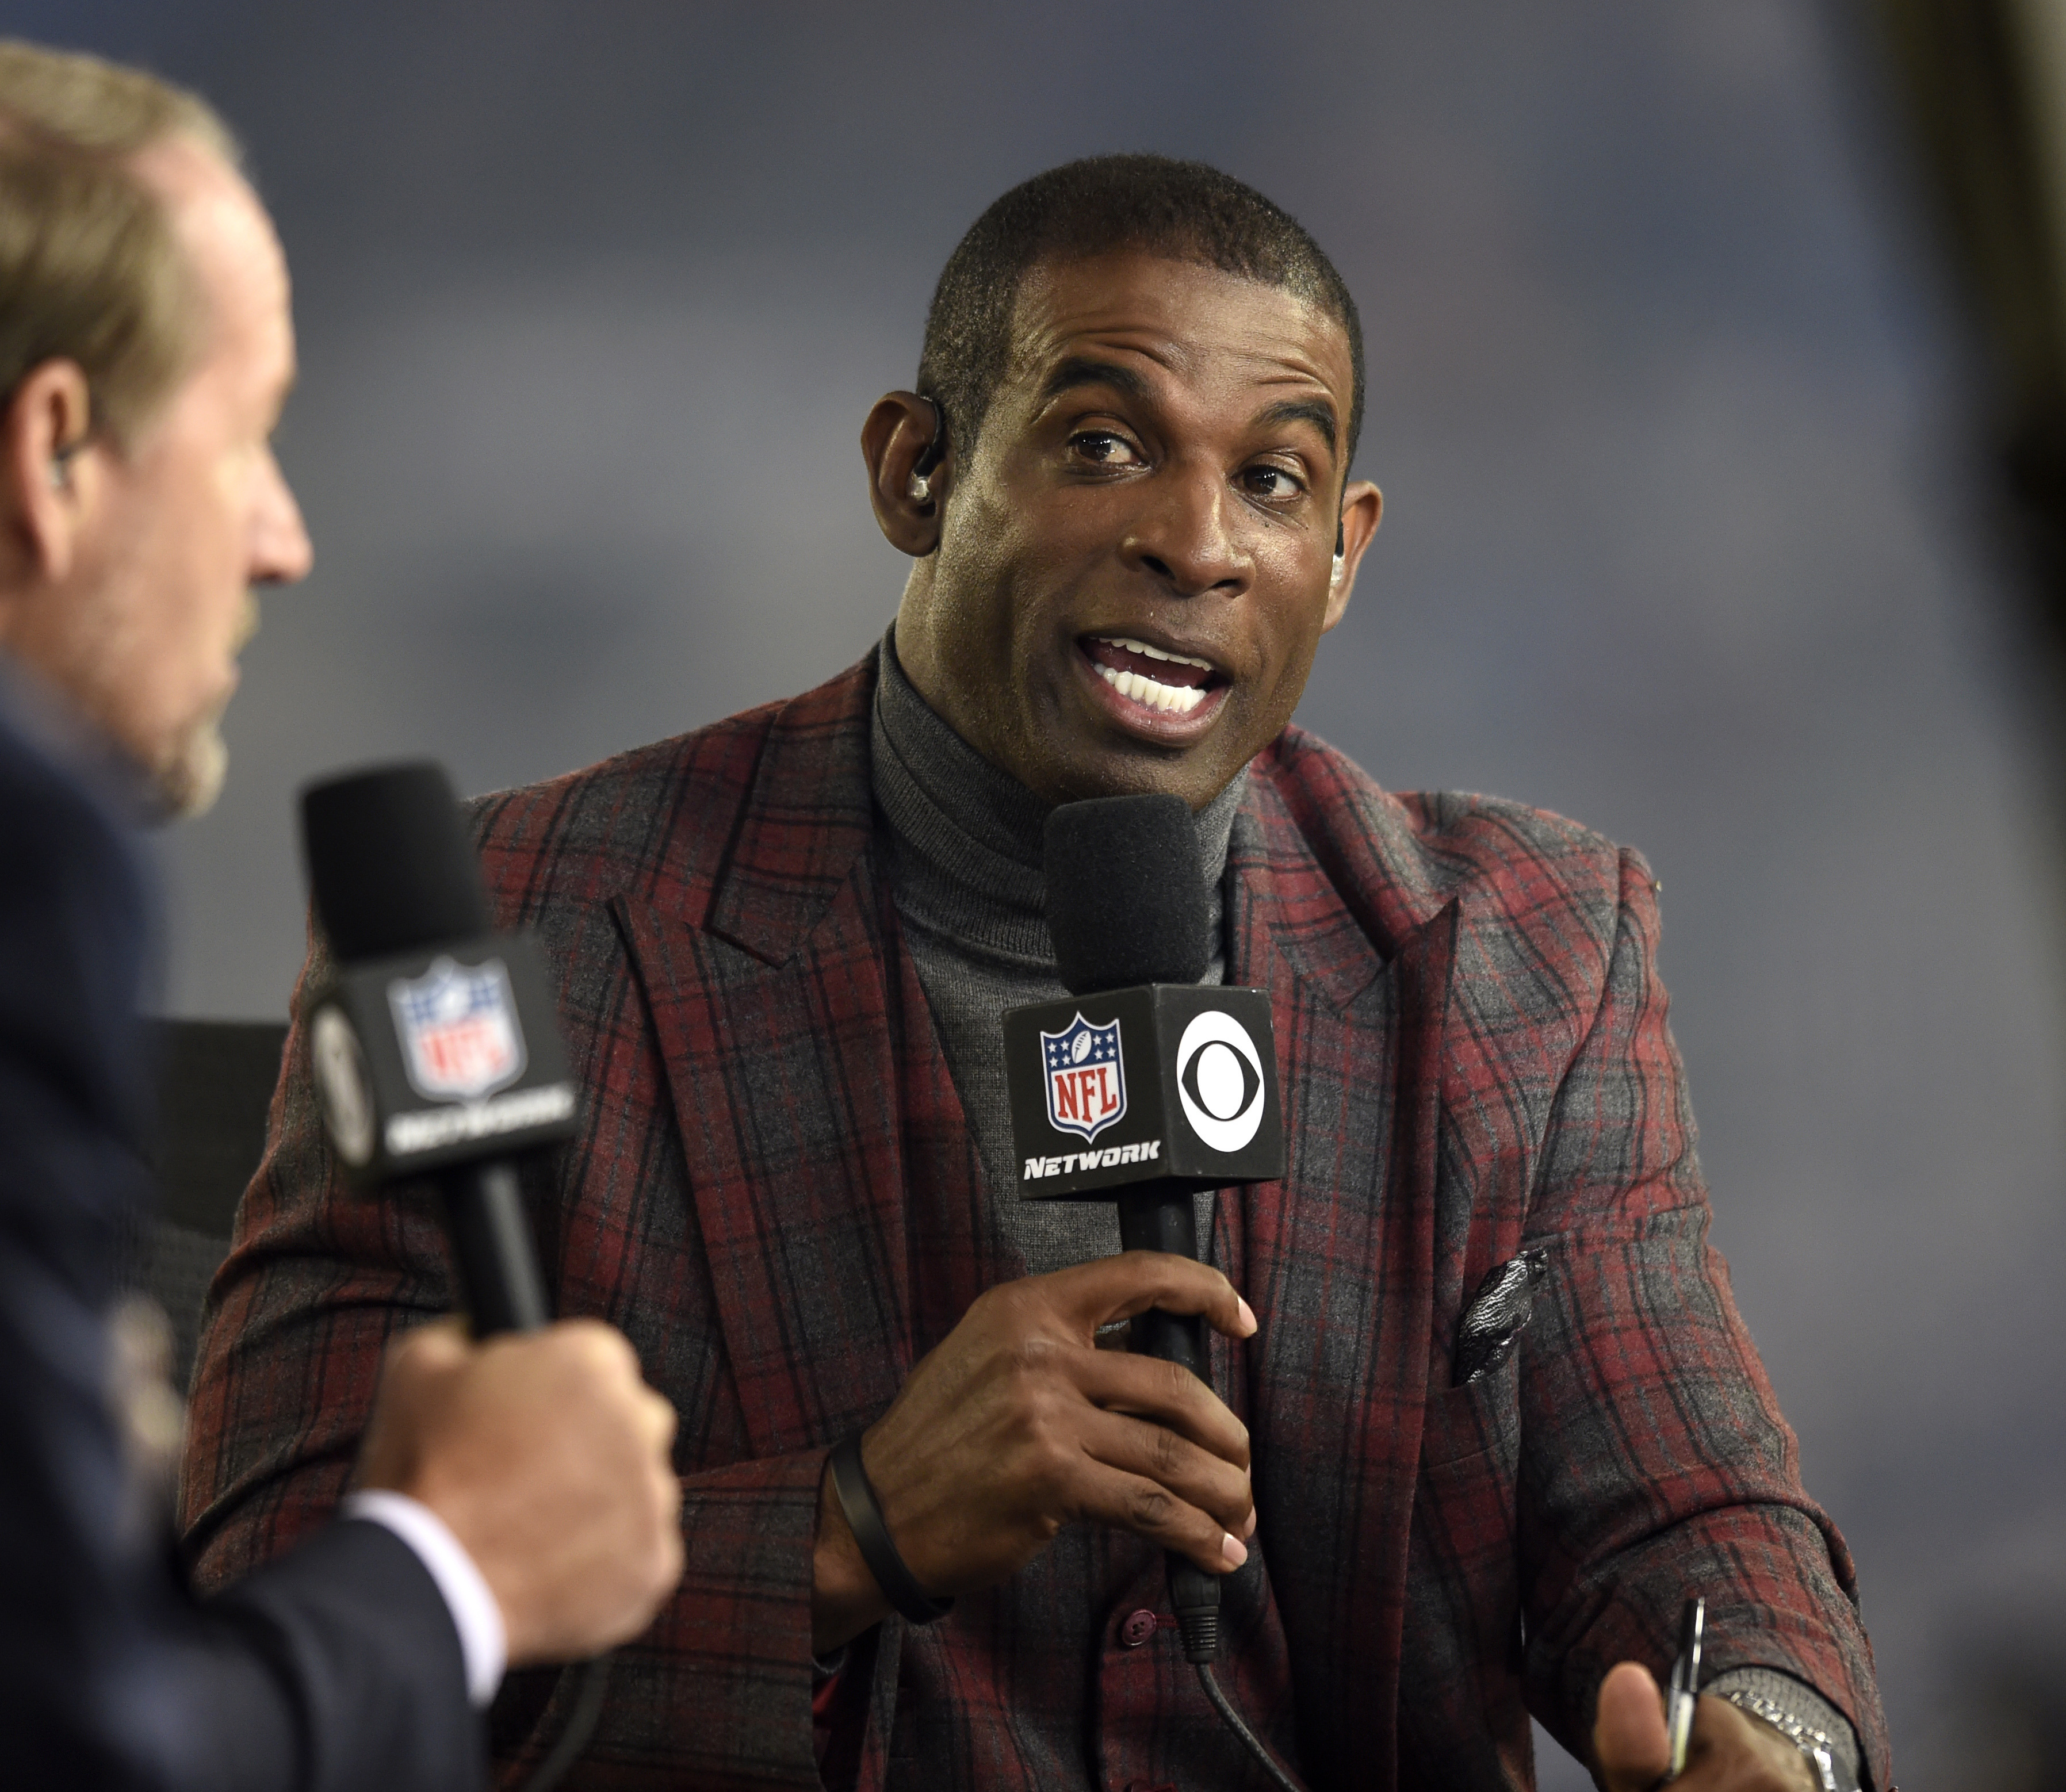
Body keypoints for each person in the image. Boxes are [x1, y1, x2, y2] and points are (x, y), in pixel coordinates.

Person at [183, 156, 1891, 1791]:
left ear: (1347, 552)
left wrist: (1766, 1729)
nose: (1196, 542)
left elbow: (1686, 1510)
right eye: (1103, 442)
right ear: (914, 473)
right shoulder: (518, 924)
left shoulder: (1529, 948)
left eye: (1274, 481)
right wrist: (847, 1529)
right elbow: (279, 1604)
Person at [0, 40, 686, 1789]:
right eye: (246, 436)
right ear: (56, 450)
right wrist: (456, 1562)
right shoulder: (34, 845)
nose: (284, 538)